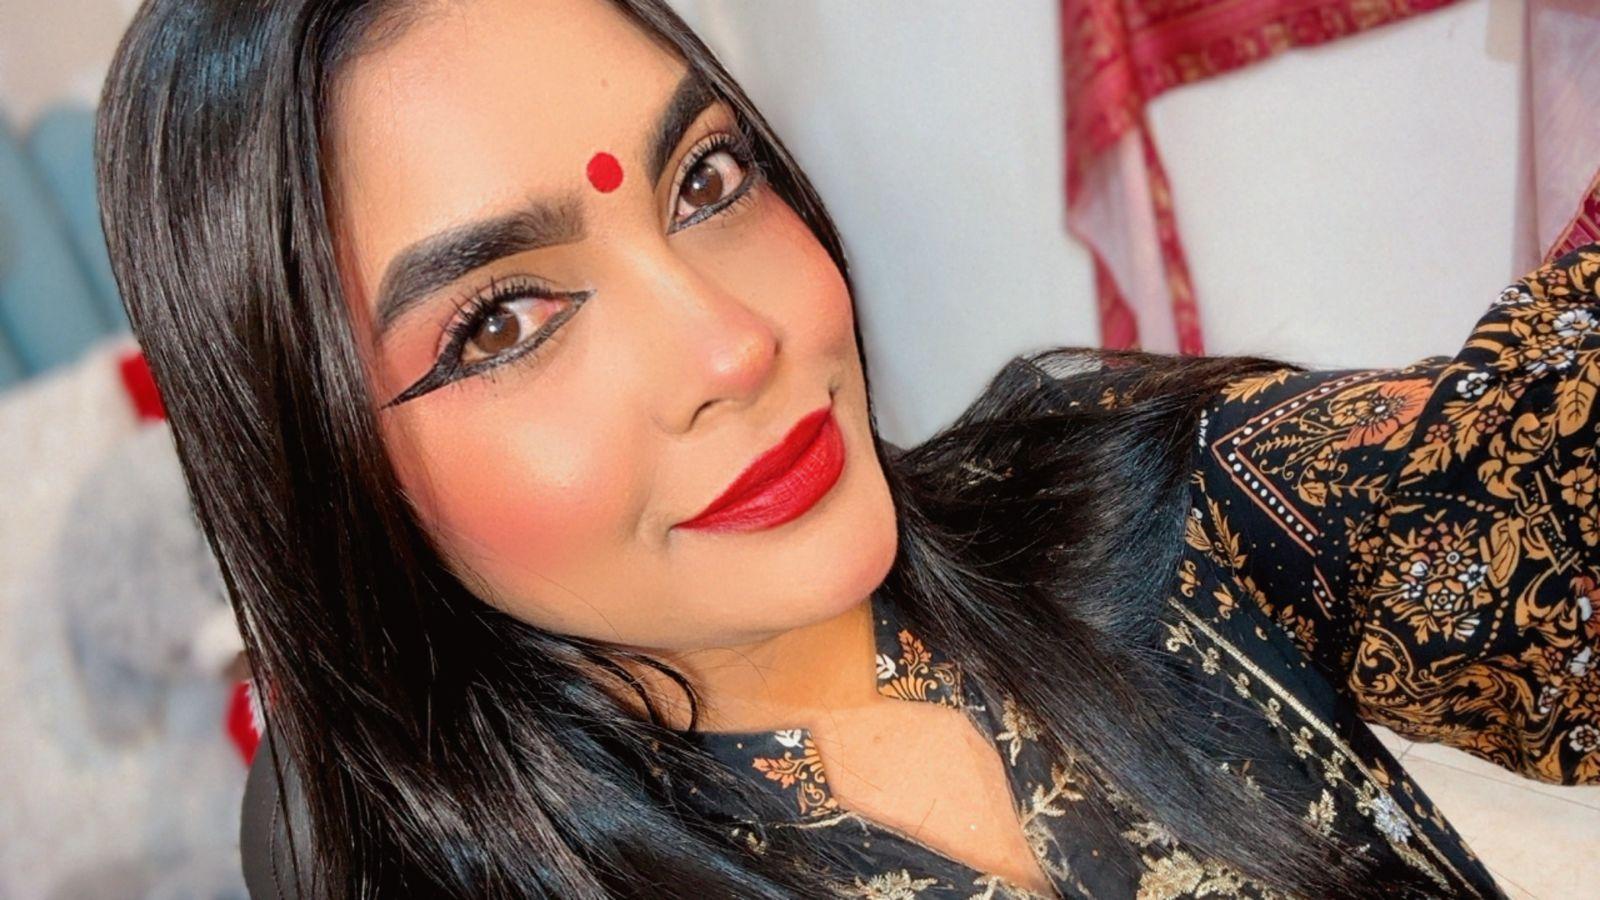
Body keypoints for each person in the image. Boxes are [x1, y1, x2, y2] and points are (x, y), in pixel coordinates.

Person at [93, 0, 1599, 896]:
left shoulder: (1118, 504)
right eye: (502, 321)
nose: (735, 346)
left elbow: (1527, 498)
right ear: (323, 477)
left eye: (706, 180)